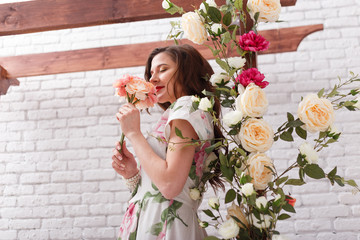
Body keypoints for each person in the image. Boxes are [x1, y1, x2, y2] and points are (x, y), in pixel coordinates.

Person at [112, 44, 223, 240]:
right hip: (159, 220)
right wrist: (132, 175)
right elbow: (160, 186)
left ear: (187, 71)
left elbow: (170, 186)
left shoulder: (186, 107)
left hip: (165, 224)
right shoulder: (179, 112)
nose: (153, 78)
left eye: (163, 70)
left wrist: (134, 134)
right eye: (151, 72)